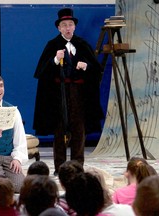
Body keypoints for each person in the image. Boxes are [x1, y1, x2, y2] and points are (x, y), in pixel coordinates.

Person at [33, 8, 104, 175]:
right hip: (58, 94)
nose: (67, 28)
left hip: (79, 94)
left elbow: (96, 69)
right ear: (59, 28)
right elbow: (41, 72)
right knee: (59, 130)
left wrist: (86, 66)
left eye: (70, 24)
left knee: (79, 129)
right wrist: (55, 60)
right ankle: (60, 167)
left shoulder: (82, 44)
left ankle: (77, 166)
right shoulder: (52, 45)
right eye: (64, 25)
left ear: (74, 27)